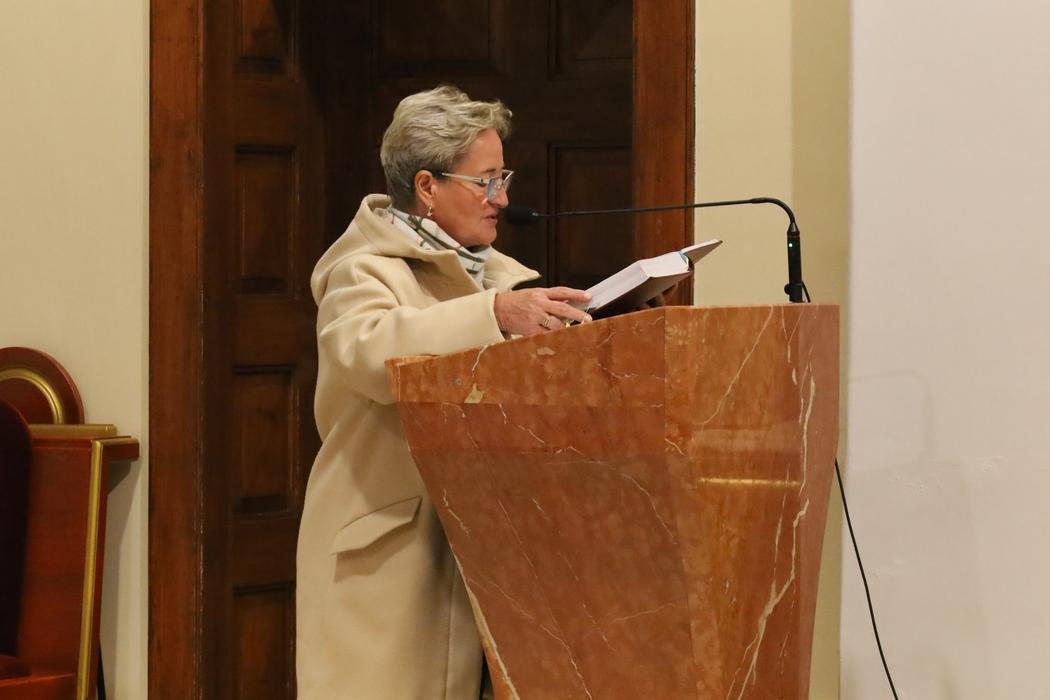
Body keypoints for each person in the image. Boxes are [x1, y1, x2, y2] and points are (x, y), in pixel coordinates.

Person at [295, 85, 592, 699]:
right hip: (390, 546)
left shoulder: (495, 276)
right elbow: (370, 352)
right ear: (427, 186)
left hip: (484, 537)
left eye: (502, 178)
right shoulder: (363, 269)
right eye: (485, 181)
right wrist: (493, 315)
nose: (501, 198)